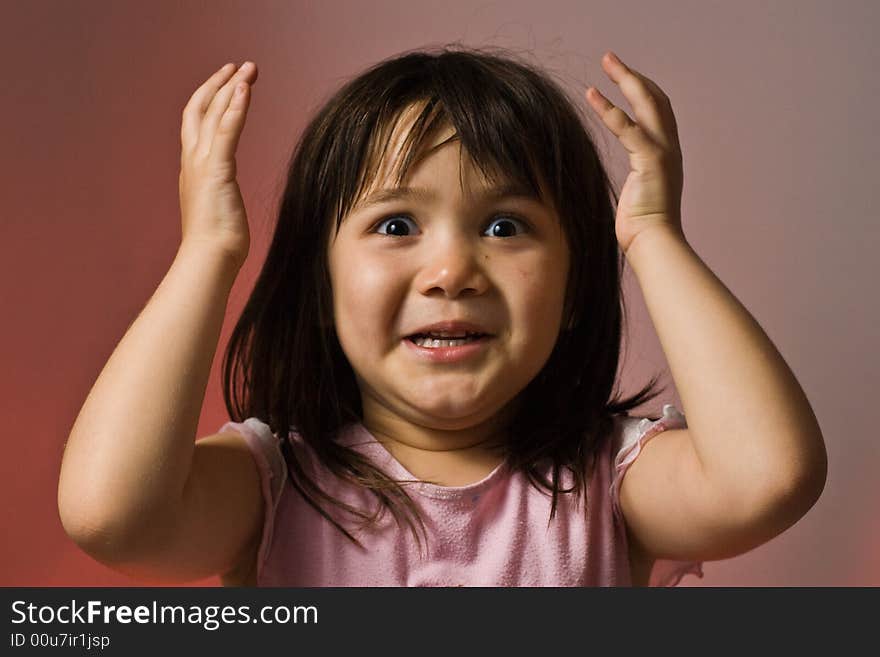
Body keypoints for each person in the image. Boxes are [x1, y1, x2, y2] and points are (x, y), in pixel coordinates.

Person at [58, 45, 828, 587]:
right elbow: (112, 515)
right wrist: (209, 251)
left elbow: (771, 477)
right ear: (319, 290)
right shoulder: (275, 485)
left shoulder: (609, 483)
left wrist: (654, 236)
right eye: (396, 225)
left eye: (505, 226)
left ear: (574, 294)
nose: (453, 271)